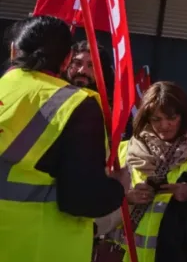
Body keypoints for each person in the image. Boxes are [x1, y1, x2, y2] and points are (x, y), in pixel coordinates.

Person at [0, 14, 125, 261]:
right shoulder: (76, 104)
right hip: (38, 247)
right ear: (67, 59)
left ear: (14, 51)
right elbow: (81, 200)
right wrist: (118, 187)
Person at [97, 81, 187, 262]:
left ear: (184, 116)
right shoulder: (121, 151)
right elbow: (97, 205)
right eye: (156, 119)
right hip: (123, 256)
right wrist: (126, 197)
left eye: (171, 117)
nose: (164, 125)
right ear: (146, 118)